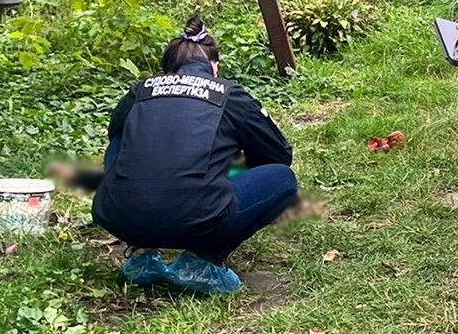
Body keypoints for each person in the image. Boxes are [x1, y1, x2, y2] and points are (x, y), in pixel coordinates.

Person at [75, 15, 297, 294]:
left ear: (168, 70)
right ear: (214, 67)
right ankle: (203, 260)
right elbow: (278, 153)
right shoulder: (228, 94)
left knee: (122, 136)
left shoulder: (141, 90)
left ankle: (141, 252)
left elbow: (115, 137)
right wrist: (237, 162)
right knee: (283, 179)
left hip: (117, 215)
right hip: (198, 218)